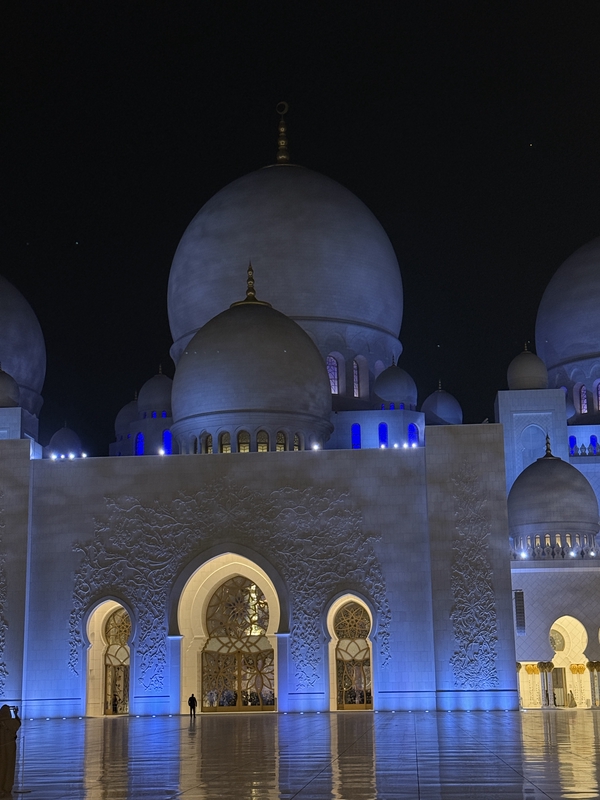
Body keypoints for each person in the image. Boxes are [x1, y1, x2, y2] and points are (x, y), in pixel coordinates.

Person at [0, 705, 20, 796]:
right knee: (9, 767)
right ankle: (7, 787)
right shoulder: (12, 722)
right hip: (10, 748)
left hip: (1, 749)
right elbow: (18, 724)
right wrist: (15, 714)